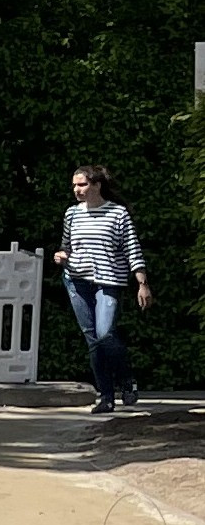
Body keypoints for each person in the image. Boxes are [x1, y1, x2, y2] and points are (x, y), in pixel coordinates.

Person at [56, 165, 152, 412]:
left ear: (97, 185)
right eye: (75, 185)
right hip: (77, 281)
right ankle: (106, 397)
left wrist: (142, 283)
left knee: (105, 334)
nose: (77, 190)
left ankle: (126, 380)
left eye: (82, 185)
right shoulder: (72, 214)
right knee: (93, 341)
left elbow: (132, 249)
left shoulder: (117, 214)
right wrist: (62, 255)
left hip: (108, 281)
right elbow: (67, 245)